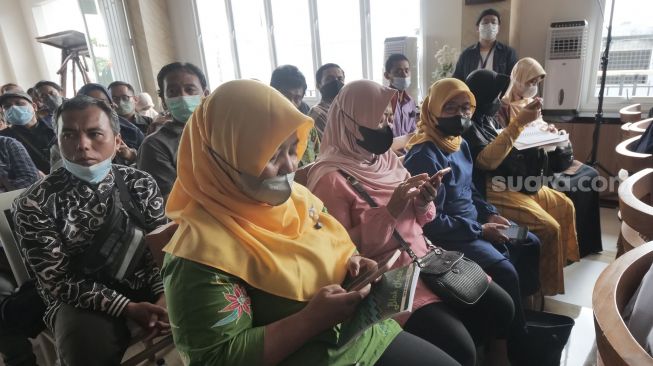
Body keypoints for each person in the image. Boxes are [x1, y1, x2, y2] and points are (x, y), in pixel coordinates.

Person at [161, 79, 460, 366]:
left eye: (293, 149)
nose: (290, 165)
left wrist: (354, 262)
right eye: (271, 155)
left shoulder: (298, 200)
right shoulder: (199, 257)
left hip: (362, 335)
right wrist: (308, 321)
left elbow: (336, 242)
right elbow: (216, 358)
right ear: (225, 158)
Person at [307, 80, 516, 366]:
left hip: (427, 255)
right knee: (460, 347)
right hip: (388, 274)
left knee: (502, 307)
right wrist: (389, 211)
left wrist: (423, 200)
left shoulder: (385, 159)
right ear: (351, 123)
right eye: (378, 120)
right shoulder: (331, 179)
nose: (386, 127)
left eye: (388, 118)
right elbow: (342, 250)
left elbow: (421, 220)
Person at [12, 95, 169, 366]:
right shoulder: (34, 202)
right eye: (69, 135)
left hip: (147, 284)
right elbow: (58, 281)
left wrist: (164, 297)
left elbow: (158, 249)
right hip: (82, 299)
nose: (82, 145)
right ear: (58, 141)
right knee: (85, 345)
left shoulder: (139, 183)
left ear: (118, 140)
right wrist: (128, 308)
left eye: (94, 134)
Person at [402, 78, 542, 362]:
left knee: (529, 242)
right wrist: (481, 230)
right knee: (505, 271)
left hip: (476, 224)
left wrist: (490, 212)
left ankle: (522, 315)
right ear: (432, 110)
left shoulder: (460, 143)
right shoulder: (424, 156)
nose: (460, 115)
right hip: (450, 235)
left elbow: (471, 191)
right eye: (450, 107)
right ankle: (506, 345)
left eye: (466, 107)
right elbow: (430, 221)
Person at [137, 62, 209, 201]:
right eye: (172, 92)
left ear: (205, 94)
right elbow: (171, 202)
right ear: (164, 101)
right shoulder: (155, 145)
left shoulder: (222, 132)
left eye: (190, 89)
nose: (182, 96)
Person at [270, 64, 320, 166]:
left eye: (297, 98)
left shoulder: (309, 130)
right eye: (285, 96)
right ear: (272, 92)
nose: (291, 103)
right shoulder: (263, 130)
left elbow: (318, 157)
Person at [452, 8, 518, 81]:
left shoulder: (508, 53)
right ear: (478, 28)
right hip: (470, 92)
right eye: (485, 22)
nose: (490, 25)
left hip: (499, 92)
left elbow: (514, 80)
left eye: (493, 22)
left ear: (498, 28)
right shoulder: (466, 54)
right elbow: (457, 80)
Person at [0, 91, 54, 174]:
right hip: (35, 184)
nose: (13, 107)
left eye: (19, 103)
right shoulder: (4, 138)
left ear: (34, 106)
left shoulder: (54, 126)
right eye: (7, 106)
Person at [384, 54, 418, 139]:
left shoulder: (411, 102)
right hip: (389, 150)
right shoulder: (383, 101)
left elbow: (412, 130)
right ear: (387, 75)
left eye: (406, 70)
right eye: (398, 71)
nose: (404, 75)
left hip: (408, 149)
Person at [308, 63, 345, 138]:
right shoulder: (317, 113)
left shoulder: (348, 108)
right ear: (319, 85)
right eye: (329, 79)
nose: (336, 82)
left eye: (340, 79)